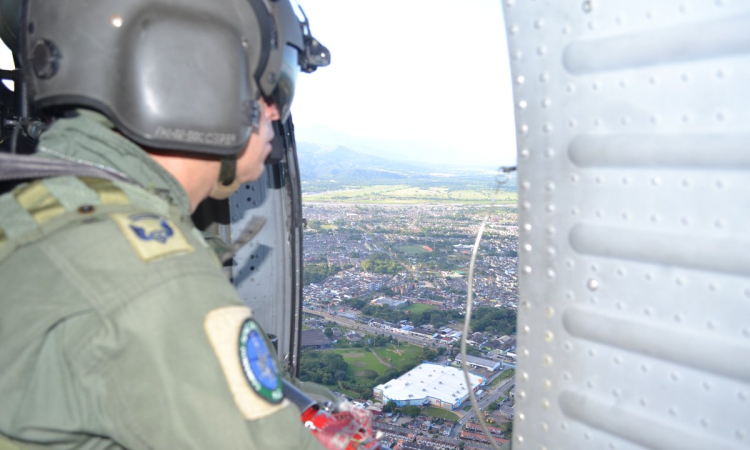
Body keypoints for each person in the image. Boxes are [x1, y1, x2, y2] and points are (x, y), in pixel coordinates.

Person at [0, 0, 332, 448]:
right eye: (272, 87)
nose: (276, 113)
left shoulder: (46, 202)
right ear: (191, 75)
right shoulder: (152, 275)